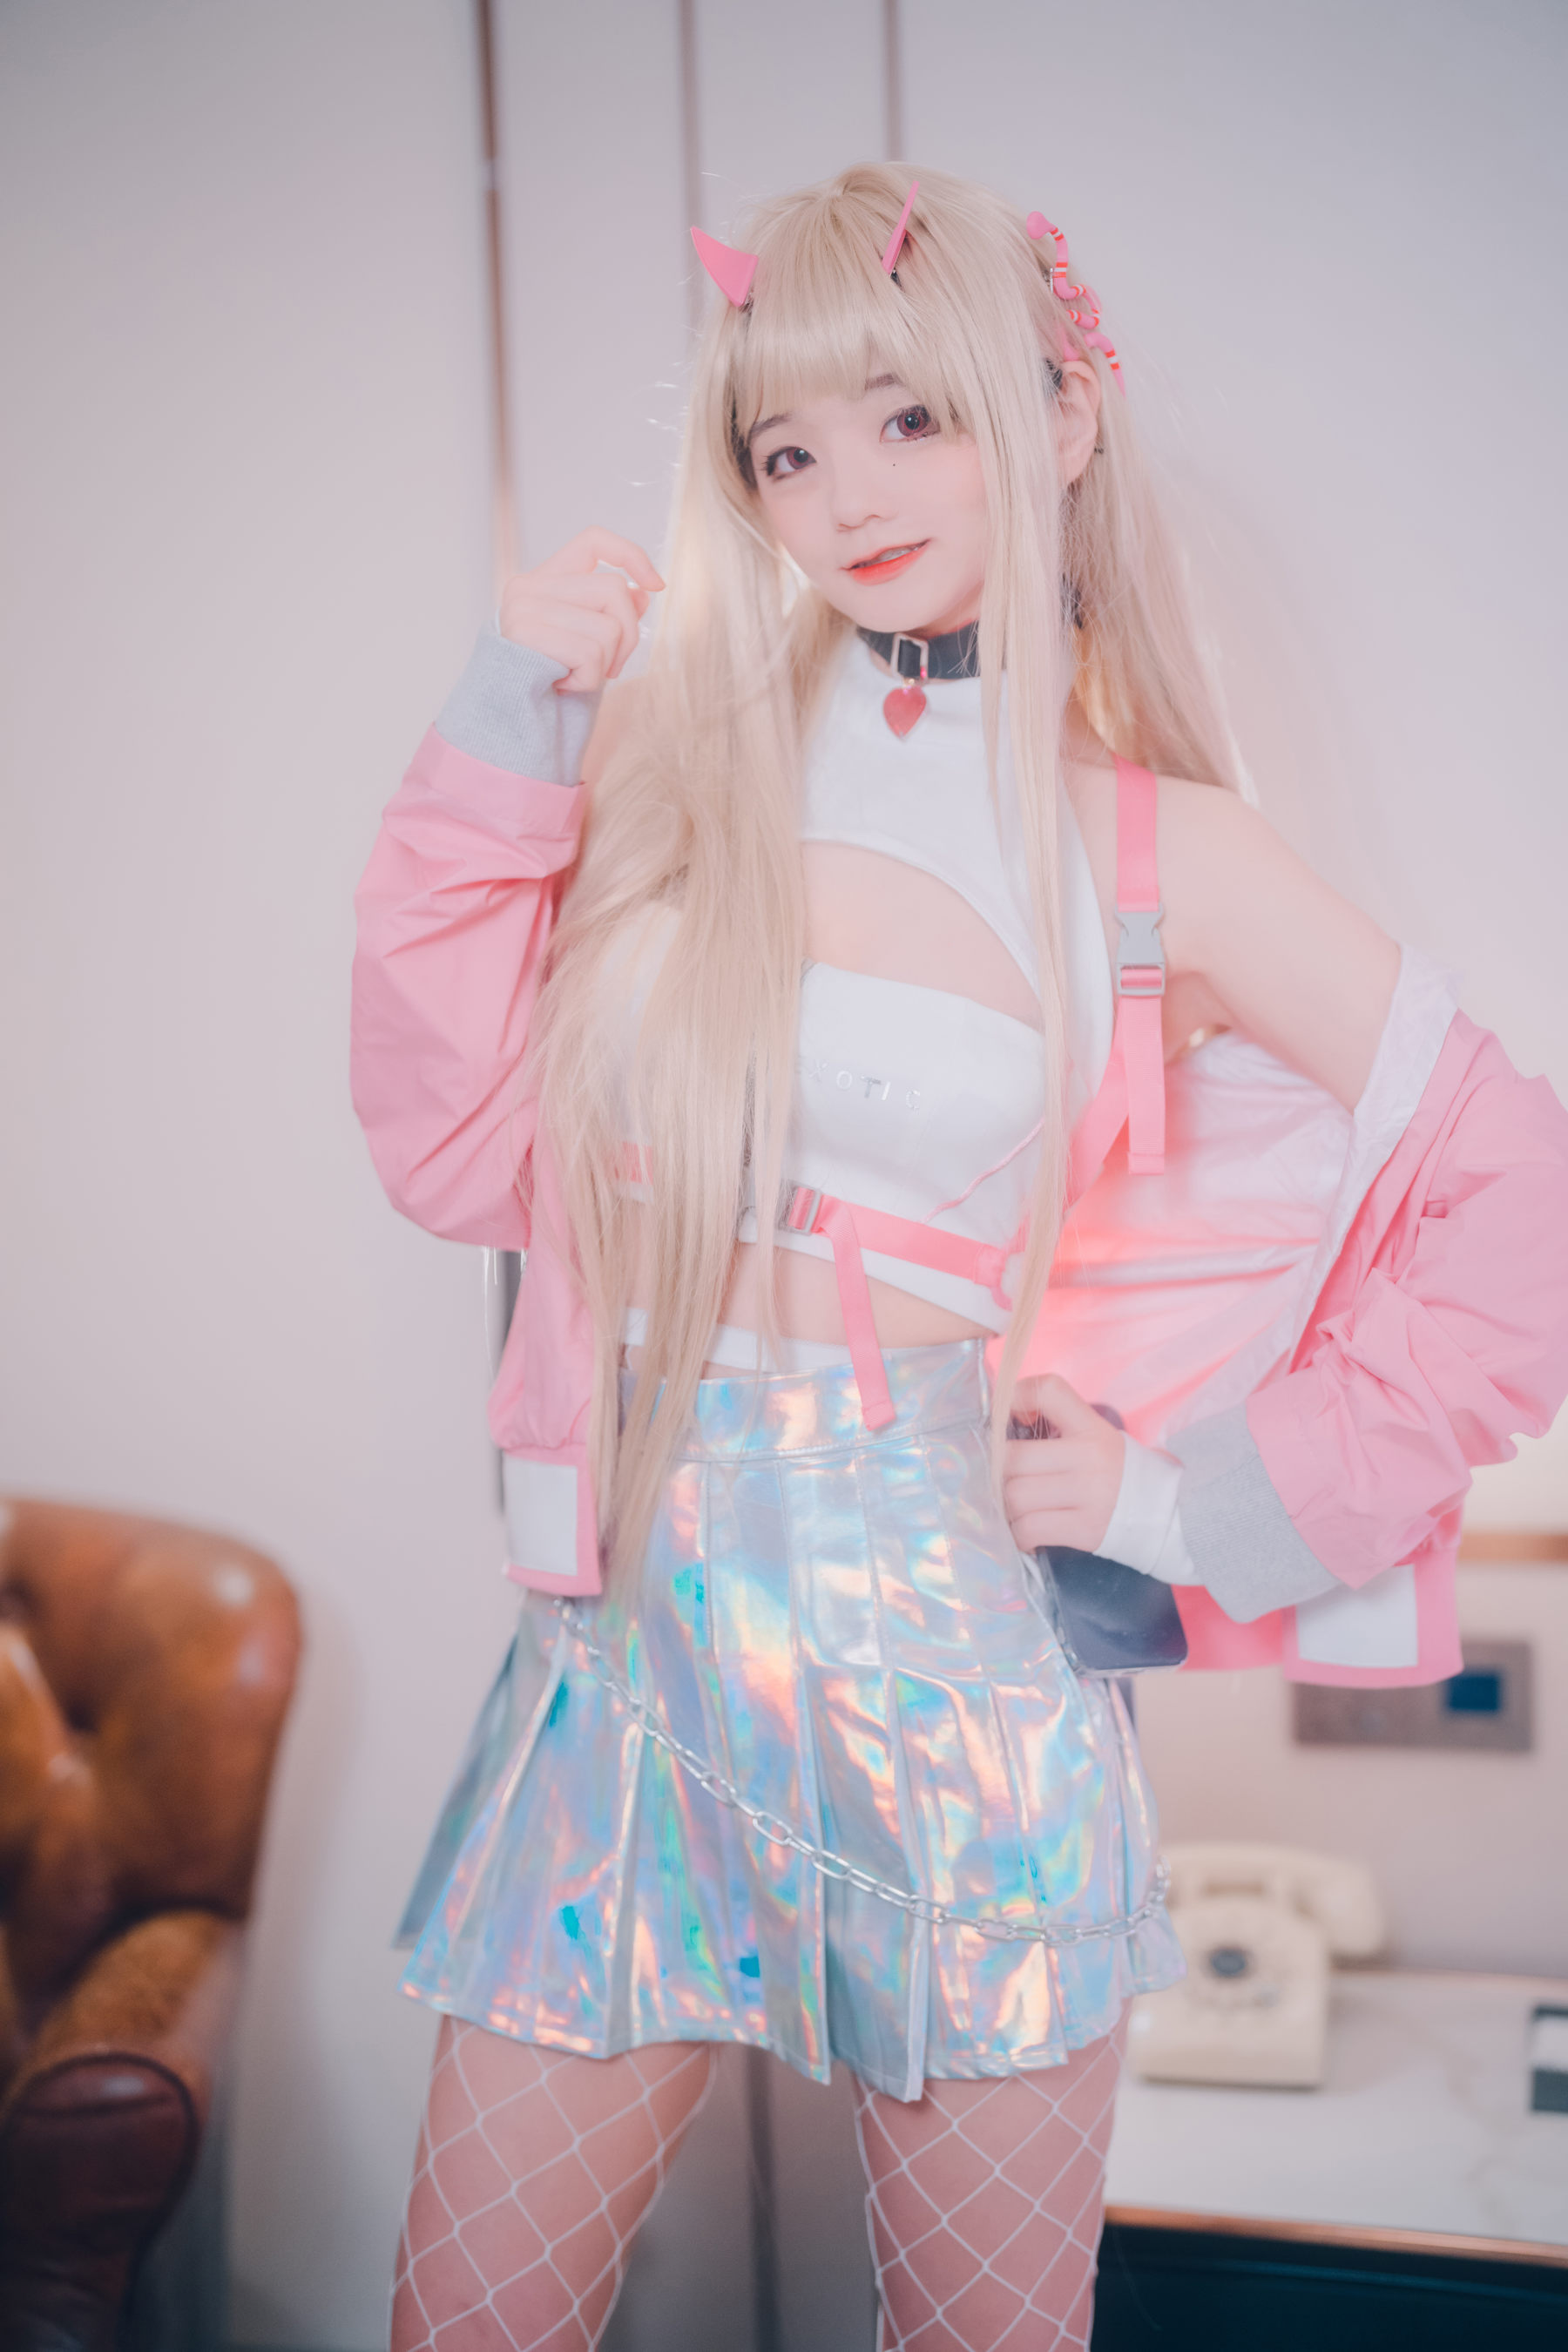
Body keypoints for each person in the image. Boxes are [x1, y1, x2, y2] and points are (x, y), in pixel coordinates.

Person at [351, 165, 1568, 2351]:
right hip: (626, 1644)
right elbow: (451, 1152)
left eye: (908, 417)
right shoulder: (677, 770)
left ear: (1062, 415)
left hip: (956, 1660)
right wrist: (501, 722)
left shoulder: (1158, 853)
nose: (847, 494)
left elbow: (1528, 1203)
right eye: (786, 448)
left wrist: (1193, 1502)